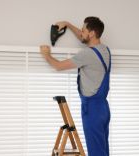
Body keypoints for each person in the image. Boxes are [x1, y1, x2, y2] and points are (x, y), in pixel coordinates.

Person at [40, 16, 111, 156]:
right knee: (102, 150)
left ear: (91, 33)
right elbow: (82, 37)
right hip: (103, 109)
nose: (81, 32)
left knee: (96, 153)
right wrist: (67, 24)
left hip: (92, 111)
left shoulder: (88, 54)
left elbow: (59, 66)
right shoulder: (104, 50)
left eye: (84, 30)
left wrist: (46, 55)